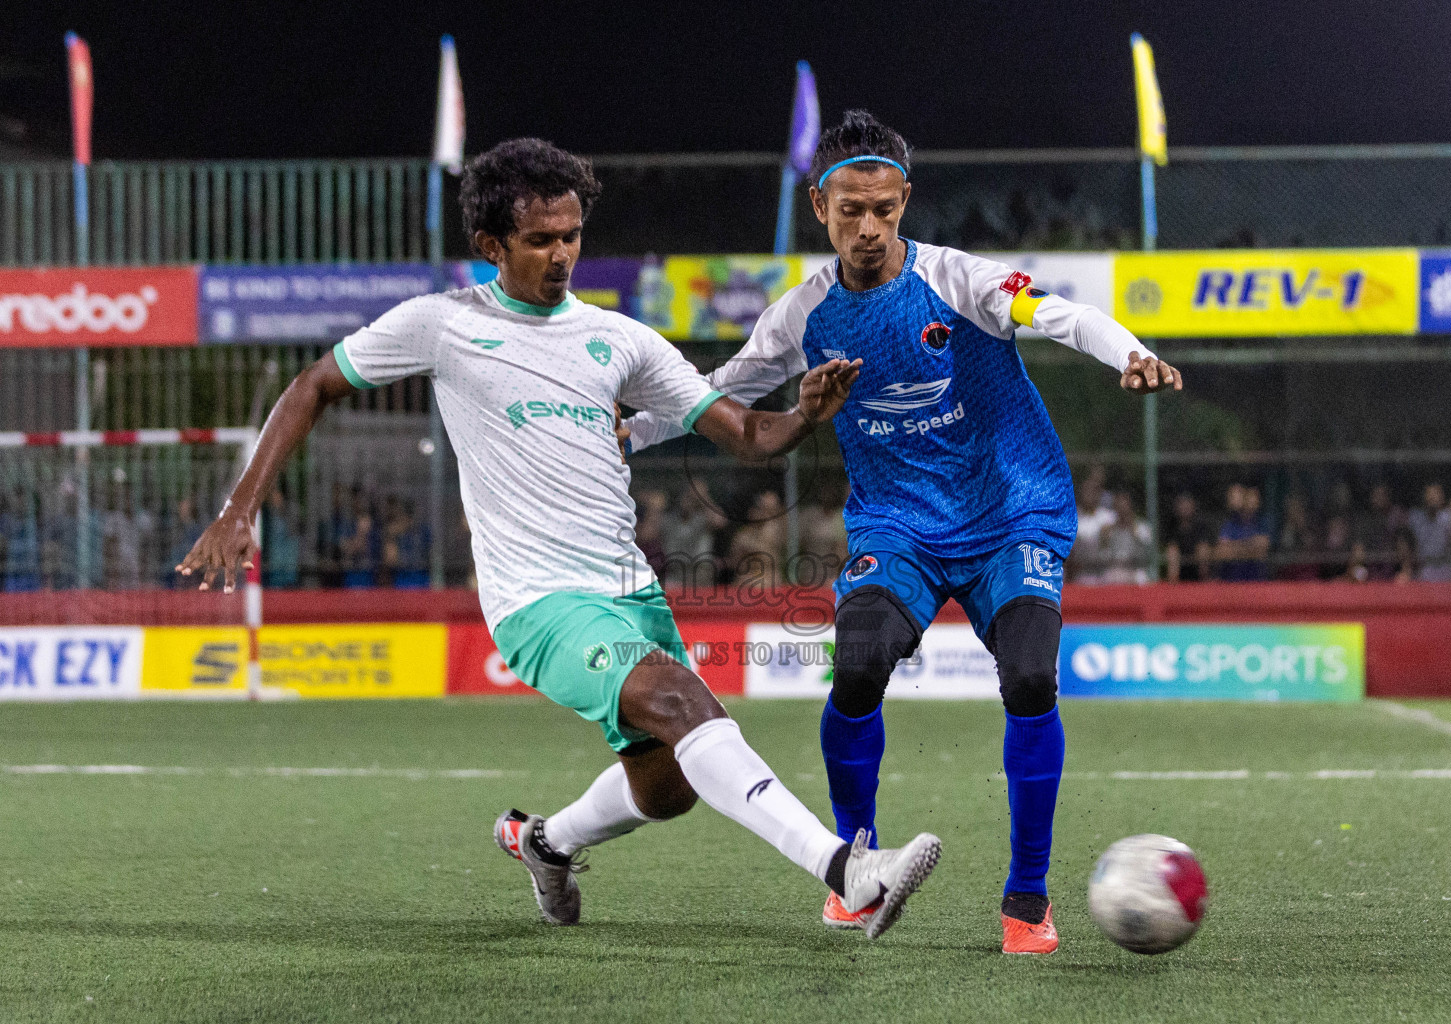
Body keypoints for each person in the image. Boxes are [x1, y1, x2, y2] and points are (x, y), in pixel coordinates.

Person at [176, 137, 939, 940]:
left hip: (628, 591)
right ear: (491, 246)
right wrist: (240, 507)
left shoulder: (617, 339)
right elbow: (316, 383)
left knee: (668, 784)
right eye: (540, 239)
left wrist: (807, 415)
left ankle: (544, 842)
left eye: (571, 234)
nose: (562, 254)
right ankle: (849, 873)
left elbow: (748, 432)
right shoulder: (444, 324)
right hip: (536, 601)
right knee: (686, 705)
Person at [624, 111, 1181, 954]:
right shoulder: (801, 316)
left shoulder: (960, 280)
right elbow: (716, 396)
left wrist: (1128, 352)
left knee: (1030, 678)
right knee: (857, 665)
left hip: (1011, 511)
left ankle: (1026, 901)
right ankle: (857, 870)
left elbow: (1057, 313)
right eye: (851, 209)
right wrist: (623, 434)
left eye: (885, 208)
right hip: (899, 525)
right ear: (821, 206)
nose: (869, 227)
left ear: (905, 200)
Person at [1215, 484, 1270, 581]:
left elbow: (1261, 551)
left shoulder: (1262, 523)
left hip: (1256, 581)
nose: (1252, 502)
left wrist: (1234, 548)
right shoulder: (1230, 524)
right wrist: (1250, 547)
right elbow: (1223, 553)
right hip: (1231, 581)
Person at [1407, 483, 1451, 582]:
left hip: (1444, 567)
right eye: (1430, 494)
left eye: (1435, 494)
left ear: (1441, 497)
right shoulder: (1415, 517)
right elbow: (1407, 543)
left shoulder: (1448, 517)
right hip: (1424, 568)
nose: (1432, 498)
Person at [1164, 491, 1213, 582]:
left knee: (1203, 550)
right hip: (1181, 570)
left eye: (1187, 504)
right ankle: (1173, 585)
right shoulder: (1172, 527)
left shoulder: (1200, 526)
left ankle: (1204, 581)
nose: (1184, 507)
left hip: (1197, 569)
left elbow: (1204, 546)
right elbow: (1172, 547)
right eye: (1182, 504)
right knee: (1172, 552)